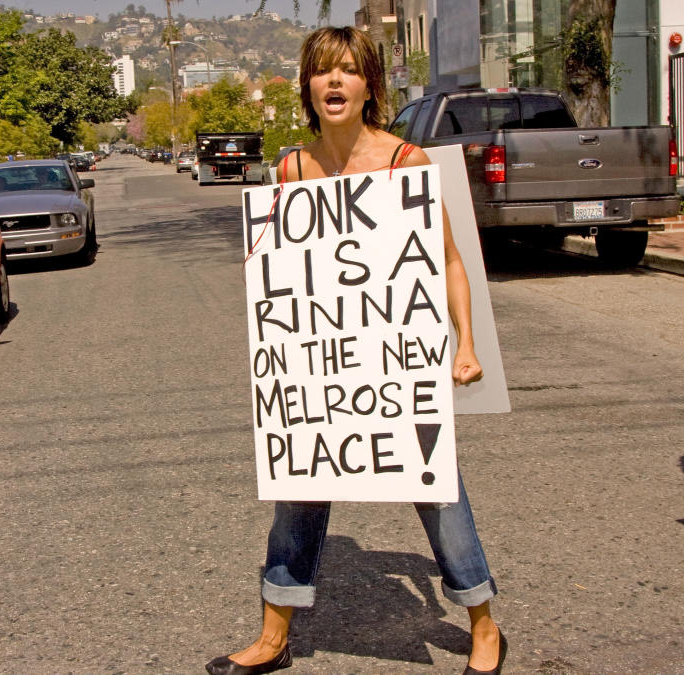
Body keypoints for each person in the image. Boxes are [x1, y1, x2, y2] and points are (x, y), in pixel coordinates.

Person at [206, 26, 506, 675]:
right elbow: (281, 265)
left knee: (437, 488)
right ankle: (273, 633)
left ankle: (483, 622)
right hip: (325, 373)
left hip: (398, 365)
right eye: (323, 71)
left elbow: (450, 262)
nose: (335, 81)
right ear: (308, 87)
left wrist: (467, 345)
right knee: (297, 487)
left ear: (370, 84)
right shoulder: (291, 168)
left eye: (348, 70)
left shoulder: (406, 163)